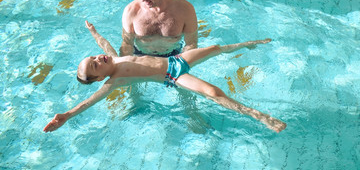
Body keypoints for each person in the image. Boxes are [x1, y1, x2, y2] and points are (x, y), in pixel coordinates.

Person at [43, 21, 287, 133]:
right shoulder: (113, 81)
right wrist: (67, 115)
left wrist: (93, 31)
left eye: (93, 58)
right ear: (99, 79)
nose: (98, 60)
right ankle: (262, 118)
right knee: (213, 92)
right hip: (172, 76)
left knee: (214, 48)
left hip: (176, 60)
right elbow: (90, 101)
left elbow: (104, 43)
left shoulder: (112, 57)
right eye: (95, 67)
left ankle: (249, 45)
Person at [120, 0, 198, 57]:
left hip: (172, 56)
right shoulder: (131, 11)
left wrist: (180, 65)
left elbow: (191, 44)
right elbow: (127, 45)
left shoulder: (185, 10)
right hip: (140, 56)